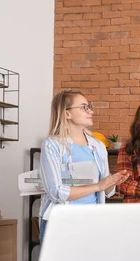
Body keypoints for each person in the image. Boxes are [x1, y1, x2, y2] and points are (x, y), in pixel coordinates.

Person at [39, 90, 129, 244]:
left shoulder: (98, 146)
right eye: (83, 107)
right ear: (67, 114)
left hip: (91, 221)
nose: (90, 111)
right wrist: (98, 186)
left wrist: (111, 182)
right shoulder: (52, 145)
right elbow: (56, 192)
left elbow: (107, 192)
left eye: (89, 107)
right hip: (61, 222)